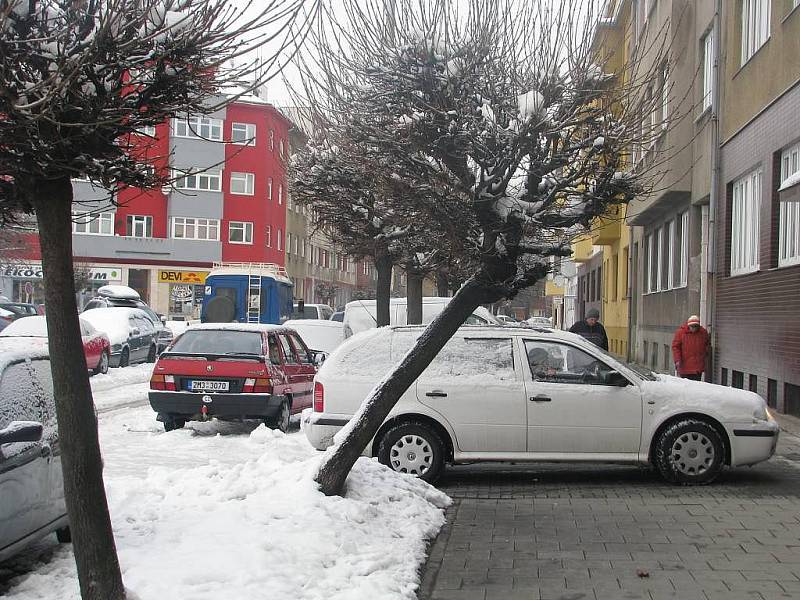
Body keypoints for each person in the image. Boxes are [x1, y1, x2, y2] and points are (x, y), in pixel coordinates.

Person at [671, 315, 710, 381]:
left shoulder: (703, 332)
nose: (694, 328)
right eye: (692, 326)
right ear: (688, 325)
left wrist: (705, 353)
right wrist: (677, 360)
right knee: (685, 386)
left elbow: (707, 344)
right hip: (684, 367)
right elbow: (676, 347)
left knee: (695, 386)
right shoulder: (681, 333)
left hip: (697, 368)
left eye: (696, 326)